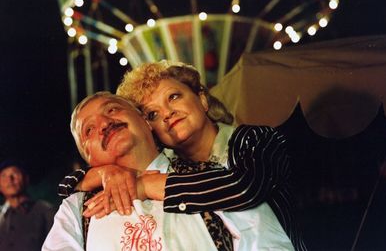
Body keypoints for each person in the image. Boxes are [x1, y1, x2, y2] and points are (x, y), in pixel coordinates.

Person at [60, 61, 306, 250]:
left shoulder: (251, 140)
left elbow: (242, 188)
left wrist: (143, 185)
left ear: (202, 98)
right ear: (149, 126)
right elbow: (66, 190)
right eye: (153, 114)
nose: (167, 114)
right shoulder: (79, 208)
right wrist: (102, 173)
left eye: (174, 97)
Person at [0, 159, 55, 251]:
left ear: (26, 179)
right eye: (3, 176)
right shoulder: (1, 215)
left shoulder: (44, 210)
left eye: (14, 173)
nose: (9, 179)